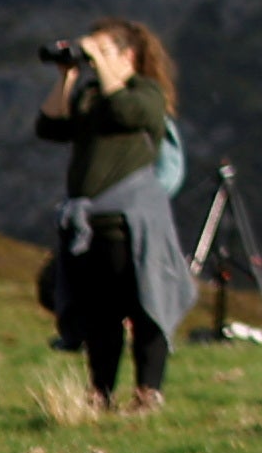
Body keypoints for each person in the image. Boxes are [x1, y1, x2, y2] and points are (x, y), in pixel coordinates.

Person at [34, 22, 191, 410]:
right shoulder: (89, 94)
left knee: (144, 305)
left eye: (105, 51)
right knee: (100, 315)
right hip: (91, 227)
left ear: (129, 56)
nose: (93, 59)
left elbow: (124, 111)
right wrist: (67, 77)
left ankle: (147, 391)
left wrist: (103, 66)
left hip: (131, 223)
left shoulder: (147, 94)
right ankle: (100, 391)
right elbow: (50, 126)